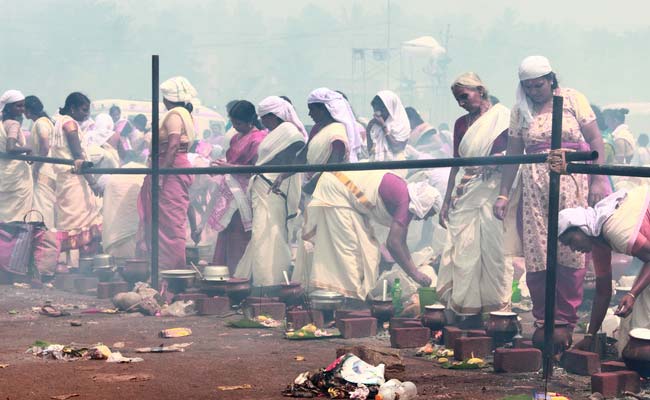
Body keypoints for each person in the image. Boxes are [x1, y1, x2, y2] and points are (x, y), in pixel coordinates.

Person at [494, 55, 609, 328]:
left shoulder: (572, 99)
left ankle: (565, 322)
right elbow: (513, 154)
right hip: (534, 189)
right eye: (529, 87)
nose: (534, 92)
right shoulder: (520, 110)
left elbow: (595, 140)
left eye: (539, 86)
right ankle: (543, 320)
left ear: (551, 80)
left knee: (571, 251)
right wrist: (503, 194)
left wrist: (597, 180)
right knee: (538, 254)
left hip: (572, 183)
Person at [436, 73, 512, 321]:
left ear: (480, 91)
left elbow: (513, 159)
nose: (462, 102)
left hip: (493, 192)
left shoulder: (503, 118)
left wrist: (498, 166)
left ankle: (495, 312)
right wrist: (446, 200)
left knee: (494, 253)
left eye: (464, 96)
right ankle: (466, 311)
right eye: (458, 99)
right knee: (463, 251)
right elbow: (456, 164)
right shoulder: (460, 124)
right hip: (466, 191)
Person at [302, 170, 441, 299]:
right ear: (424, 205)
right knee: (352, 252)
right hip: (337, 192)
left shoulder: (407, 197)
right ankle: (348, 300)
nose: (426, 218)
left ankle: (350, 296)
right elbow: (393, 243)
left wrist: (415, 272)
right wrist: (415, 274)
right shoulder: (405, 202)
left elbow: (401, 242)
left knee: (366, 249)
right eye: (429, 214)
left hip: (341, 193)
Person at [558, 186, 650, 353]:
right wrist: (590, 336)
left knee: (643, 318)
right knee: (635, 320)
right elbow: (603, 293)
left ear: (581, 227)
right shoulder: (599, 241)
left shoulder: (615, 230)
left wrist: (632, 294)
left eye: (571, 240)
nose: (573, 248)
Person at [234, 96, 306, 287]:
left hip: (273, 189)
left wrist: (282, 176)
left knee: (270, 233)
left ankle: (269, 282)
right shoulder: (277, 132)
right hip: (265, 187)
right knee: (261, 233)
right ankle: (260, 279)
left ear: (275, 116)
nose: (263, 122)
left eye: (265, 118)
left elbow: (297, 157)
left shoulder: (289, 132)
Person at [137, 77, 197, 270]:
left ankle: (172, 274)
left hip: (169, 172)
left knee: (170, 225)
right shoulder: (183, 115)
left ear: (166, 99)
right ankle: (163, 270)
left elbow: (172, 146)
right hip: (169, 169)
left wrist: (161, 177)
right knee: (163, 222)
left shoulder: (174, 116)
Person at [206, 100, 267, 274]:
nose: (235, 126)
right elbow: (232, 162)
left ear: (250, 121)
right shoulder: (235, 137)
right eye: (232, 122)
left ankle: (239, 275)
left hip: (244, 195)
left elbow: (256, 169)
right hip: (230, 192)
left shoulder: (258, 139)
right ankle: (223, 273)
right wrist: (221, 165)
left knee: (239, 234)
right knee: (227, 231)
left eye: (238, 123)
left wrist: (229, 167)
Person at [51, 92, 102, 255]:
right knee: (79, 222)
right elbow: (78, 156)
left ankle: (68, 263)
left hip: (64, 178)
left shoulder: (59, 122)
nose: (86, 114)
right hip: (75, 180)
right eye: (84, 110)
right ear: (72, 108)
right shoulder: (70, 125)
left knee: (67, 221)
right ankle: (76, 263)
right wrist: (93, 183)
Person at [0, 90, 33, 223]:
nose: (22, 109)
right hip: (16, 176)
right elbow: (11, 147)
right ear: (8, 107)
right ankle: (16, 241)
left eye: (23, 106)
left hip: (4, 172)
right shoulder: (13, 124)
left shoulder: (2, 124)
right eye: (18, 106)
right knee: (19, 215)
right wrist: (28, 149)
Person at [306, 88, 360, 163]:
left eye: (312, 109)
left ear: (323, 109)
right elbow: (303, 154)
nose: (309, 114)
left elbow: (332, 166)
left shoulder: (337, 133)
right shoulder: (316, 129)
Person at [367, 90, 410, 162]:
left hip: (396, 165)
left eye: (381, 110)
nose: (378, 114)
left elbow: (396, 148)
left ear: (390, 108)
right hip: (377, 164)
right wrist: (369, 129)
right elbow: (370, 151)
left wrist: (383, 126)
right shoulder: (375, 125)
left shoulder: (401, 125)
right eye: (375, 110)